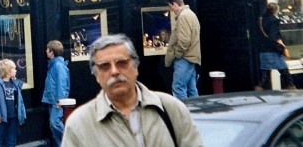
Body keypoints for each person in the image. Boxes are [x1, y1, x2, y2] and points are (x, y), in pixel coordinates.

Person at [62, 33, 203, 147]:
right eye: (104, 66)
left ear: (135, 67)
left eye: (121, 63)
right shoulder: (79, 124)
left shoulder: (171, 109)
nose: (114, 71)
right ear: (96, 75)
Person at [165, 0, 201, 99]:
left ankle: (183, 114)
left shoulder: (183, 16)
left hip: (184, 58)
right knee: (192, 89)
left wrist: (177, 55)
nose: (171, 10)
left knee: (178, 88)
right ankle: (197, 114)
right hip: (192, 57)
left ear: (175, 4)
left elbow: (184, 41)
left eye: (170, 7)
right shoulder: (191, 14)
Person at [257, 1, 297, 90]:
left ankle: (258, 90)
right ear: (275, 10)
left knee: (265, 72)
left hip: (263, 50)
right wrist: (279, 49)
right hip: (273, 50)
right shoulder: (274, 20)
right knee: (284, 71)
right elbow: (273, 37)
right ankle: (292, 90)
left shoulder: (261, 19)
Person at [0, 59, 26, 147]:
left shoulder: (16, 84)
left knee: (12, 140)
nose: (16, 70)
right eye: (14, 69)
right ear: (8, 71)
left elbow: (19, 101)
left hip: (13, 117)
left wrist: (21, 115)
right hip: (1, 117)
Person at [41, 40, 70, 147]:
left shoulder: (57, 65)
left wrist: (60, 100)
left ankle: (74, 141)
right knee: (53, 124)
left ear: (51, 51)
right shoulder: (53, 65)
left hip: (56, 101)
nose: (46, 51)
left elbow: (62, 84)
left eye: (47, 49)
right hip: (52, 99)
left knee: (55, 123)